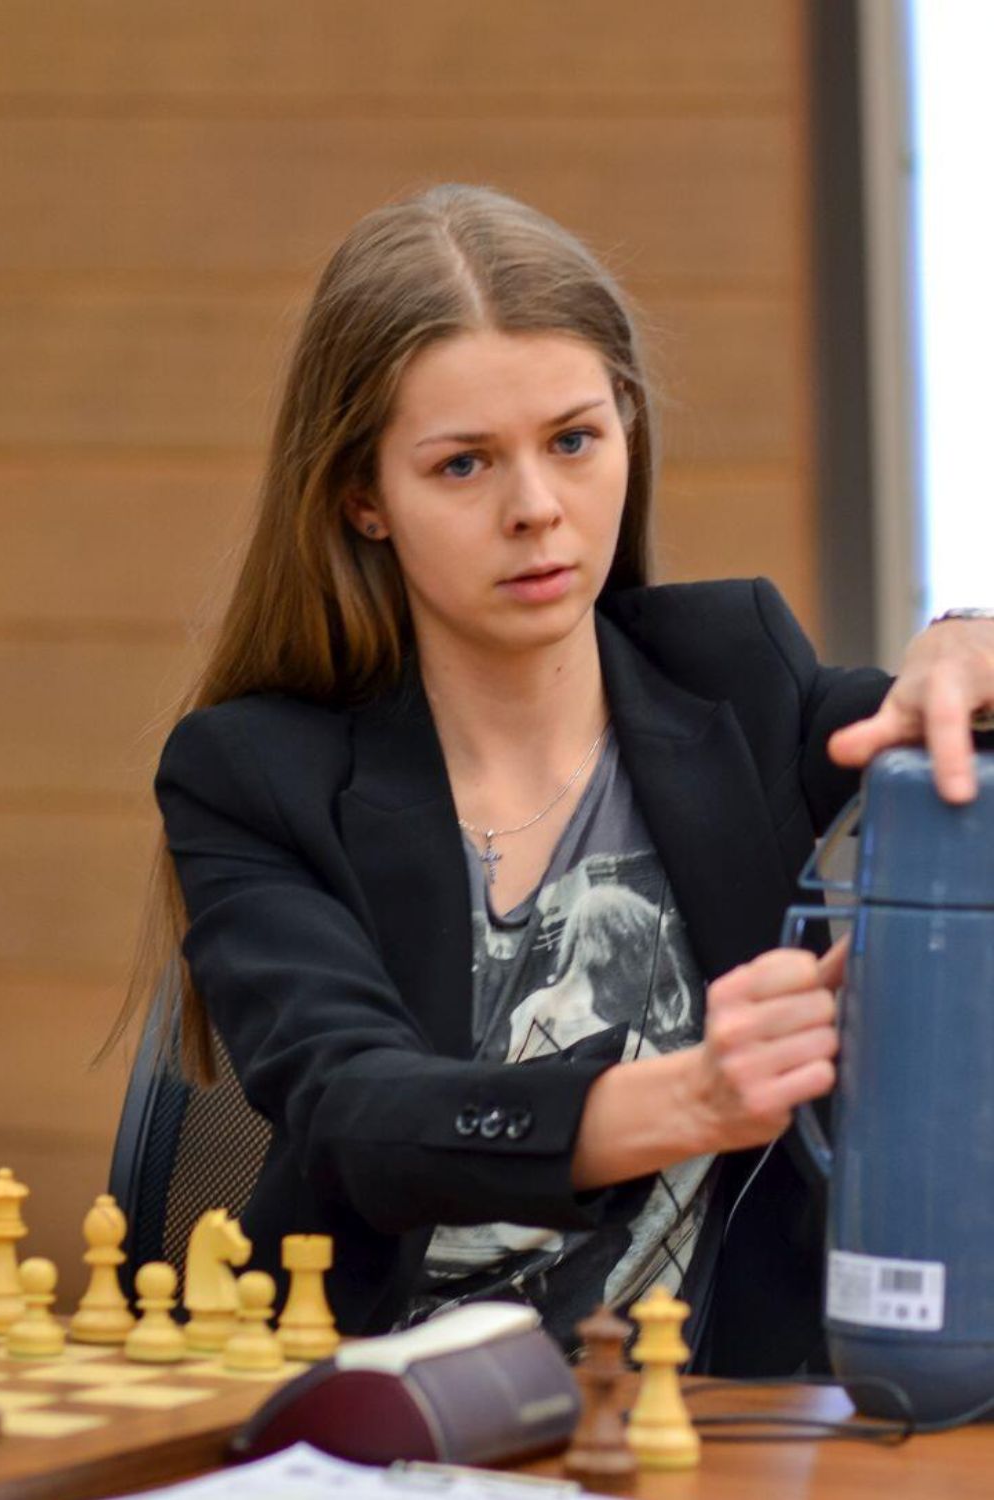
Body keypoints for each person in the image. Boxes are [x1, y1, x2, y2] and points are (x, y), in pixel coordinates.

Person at [141, 183, 994, 1373]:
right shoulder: (251, 774)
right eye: (462, 466)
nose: (537, 510)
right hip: (370, 1426)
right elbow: (357, 1115)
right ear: (363, 498)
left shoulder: (742, 678)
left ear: (626, 429)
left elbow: (948, 719)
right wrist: (689, 1100)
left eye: (573, 441)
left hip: (714, 1433)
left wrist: (969, 639)